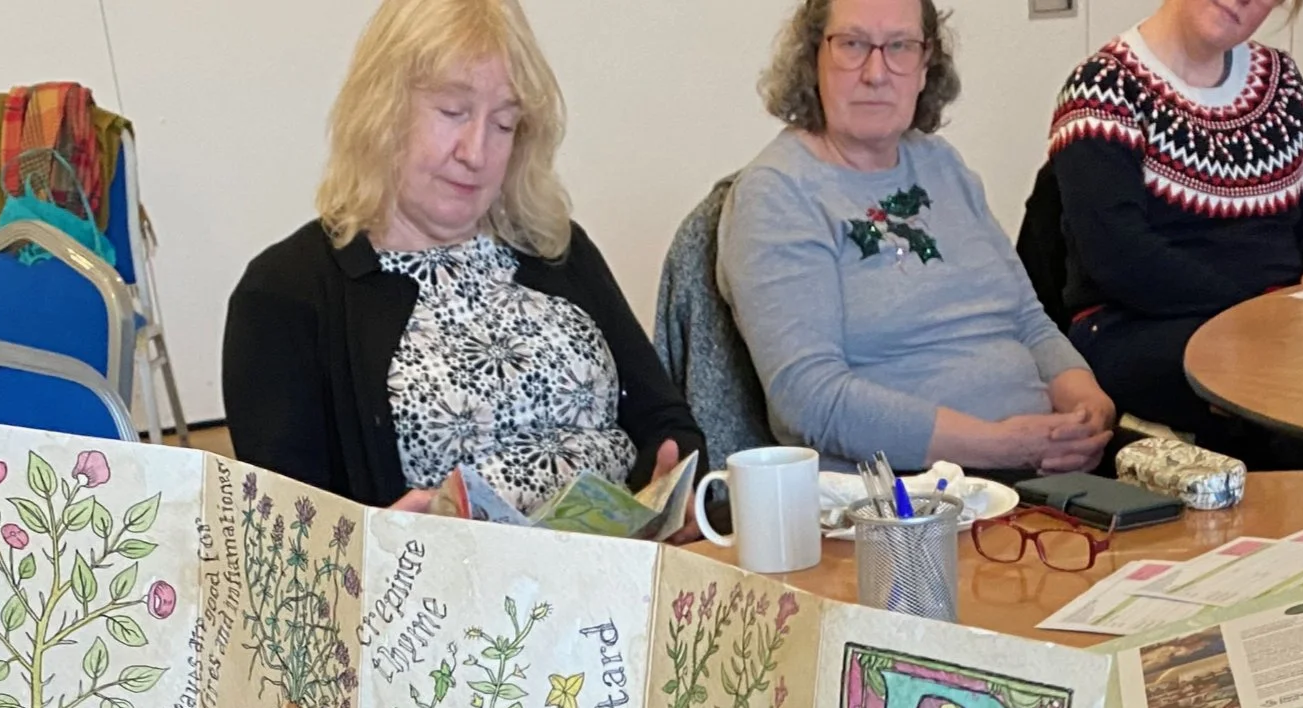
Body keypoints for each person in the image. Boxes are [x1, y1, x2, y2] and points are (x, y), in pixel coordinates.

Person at [221, 0, 704, 517]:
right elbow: (277, 541)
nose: (476, 152)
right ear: (382, 109)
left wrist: (669, 492)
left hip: (614, 575)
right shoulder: (285, 293)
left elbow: (667, 424)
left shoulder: (555, 248)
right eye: (453, 112)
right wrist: (375, 547)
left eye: (504, 124)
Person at [718, 0, 1116, 476]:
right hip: (906, 505)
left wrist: (1087, 405)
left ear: (926, 66)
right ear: (812, 59)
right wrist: (1002, 446)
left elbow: (1026, 320)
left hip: (1041, 474)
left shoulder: (940, 164)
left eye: (901, 47)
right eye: (852, 44)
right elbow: (809, 399)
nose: (876, 72)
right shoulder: (777, 195)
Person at [1049, 0, 1303, 453]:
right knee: (1285, 397)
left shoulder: (1281, 78)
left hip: (1268, 320)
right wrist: (1257, 315)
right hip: (1141, 323)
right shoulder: (1102, 89)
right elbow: (1122, 259)